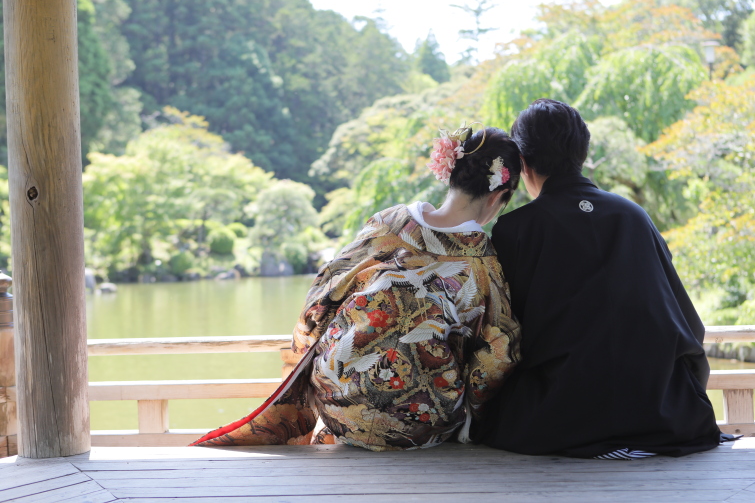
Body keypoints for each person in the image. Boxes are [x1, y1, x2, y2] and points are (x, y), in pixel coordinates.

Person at [191, 125, 522, 451]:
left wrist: (305, 351)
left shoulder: (390, 221)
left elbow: (326, 289)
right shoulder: (482, 261)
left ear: (450, 173)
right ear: (498, 197)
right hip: (418, 425)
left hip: (335, 402)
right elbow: (498, 355)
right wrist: (474, 414)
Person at [474, 99, 721, 458]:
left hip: (559, 418)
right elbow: (687, 324)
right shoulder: (634, 215)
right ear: (583, 153)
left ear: (522, 162)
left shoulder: (516, 228)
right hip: (666, 415)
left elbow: (501, 335)